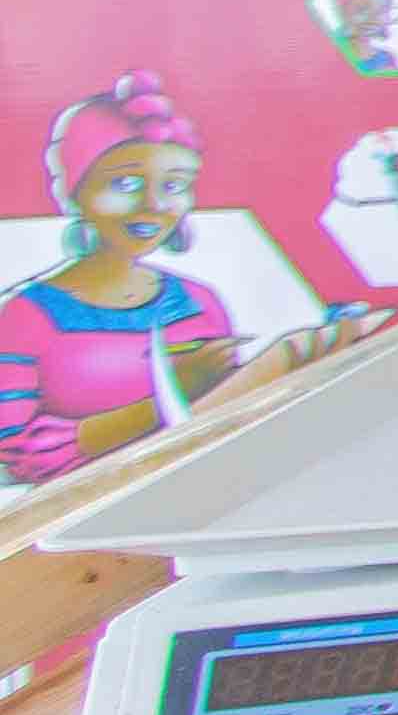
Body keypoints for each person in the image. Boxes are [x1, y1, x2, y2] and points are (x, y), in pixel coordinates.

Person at [3, 74, 356, 482]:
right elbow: (21, 455)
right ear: (76, 192)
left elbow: (220, 431)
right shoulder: (26, 317)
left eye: (174, 185)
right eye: (126, 183)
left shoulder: (198, 300)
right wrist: (170, 393)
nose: (154, 205)